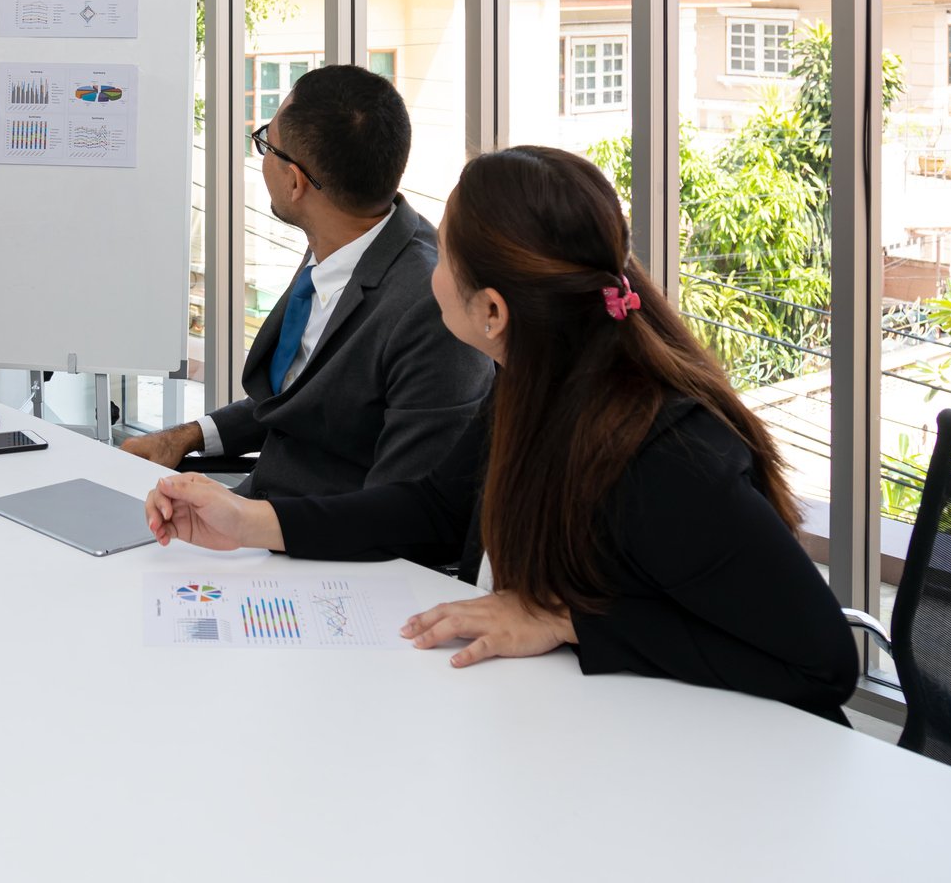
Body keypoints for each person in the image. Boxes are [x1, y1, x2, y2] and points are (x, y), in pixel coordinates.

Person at [145, 145, 859, 720]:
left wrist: (566, 620)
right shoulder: (531, 376)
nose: (427, 263)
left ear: (490, 310)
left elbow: (821, 662)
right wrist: (248, 521)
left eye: (444, 251)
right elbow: (433, 507)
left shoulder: (665, 459)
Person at [121, 65, 491, 511]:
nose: (261, 158)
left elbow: (402, 511)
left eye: (265, 144)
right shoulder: (340, 239)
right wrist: (187, 436)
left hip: (327, 554)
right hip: (256, 518)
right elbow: (306, 399)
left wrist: (245, 520)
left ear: (295, 181)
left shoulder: (430, 307)